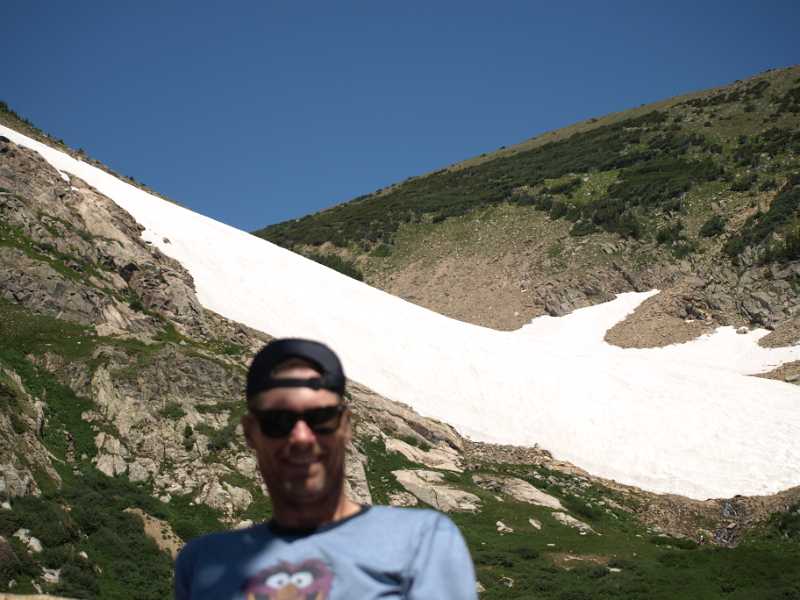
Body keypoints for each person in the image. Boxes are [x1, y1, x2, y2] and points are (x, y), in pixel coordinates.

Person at [174, 337, 477, 599]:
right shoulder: (201, 562)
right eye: (278, 421)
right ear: (251, 432)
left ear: (346, 426)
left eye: (320, 418)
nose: (301, 437)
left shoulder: (423, 540)